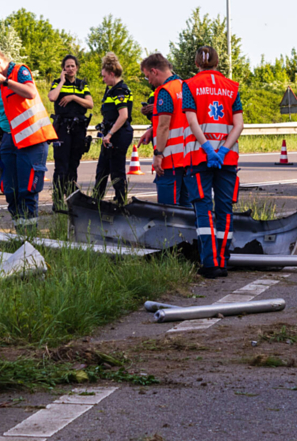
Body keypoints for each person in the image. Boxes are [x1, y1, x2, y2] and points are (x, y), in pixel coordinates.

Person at [0, 42, 57, 233]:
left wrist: (4, 81)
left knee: (27, 190)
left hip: (31, 139)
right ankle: (21, 233)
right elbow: (5, 112)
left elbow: (30, 92)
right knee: (11, 191)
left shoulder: (18, 71)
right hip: (9, 139)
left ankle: (30, 238)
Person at [182, 45, 245, 278]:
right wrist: (223, 150)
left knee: (203, 210)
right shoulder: (232, 87)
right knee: (225, 210)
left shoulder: (189, 85)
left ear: (197, 63)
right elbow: (239, 125)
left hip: (200, 156)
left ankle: (209, 264)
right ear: (217, 62)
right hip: (227, 159)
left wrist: (208, 148)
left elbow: (192, 121)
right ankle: (223, 262)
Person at [140, 53, 191, 206]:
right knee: (187, 207)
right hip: (188, 158)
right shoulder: (185, 86)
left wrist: (158, 155)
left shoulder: (165, 92)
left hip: (170, 160)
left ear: (155, 71)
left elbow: (164, 126)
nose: (149, 81)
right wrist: (151, 129)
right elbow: (181, 119)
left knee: (168, 209)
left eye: (148, 76)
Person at [47, 55, 93, 211]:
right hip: (63, 129)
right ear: (63, 69)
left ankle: (71, 200)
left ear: (77, 68)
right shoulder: (57, 83)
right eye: (67, 66)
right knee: (61, 166)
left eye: (73, 66)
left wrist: (73, 97)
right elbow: (52, 97)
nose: (70, 68)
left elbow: (90, 104)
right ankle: (58, 200)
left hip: (78, 130)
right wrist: (61, 82)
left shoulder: (82, 85)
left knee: (73, 166)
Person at [93, 52, 134, 204]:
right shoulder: (111, 89)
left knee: (116, 170)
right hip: (110, 134)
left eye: (104, 76)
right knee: (102, 169)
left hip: (118, 134)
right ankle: (96, 200)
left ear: (111, 74)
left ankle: (120, 201)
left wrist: (110, 134)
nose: (103, 80)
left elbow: (123, 115)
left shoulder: (119, 90)